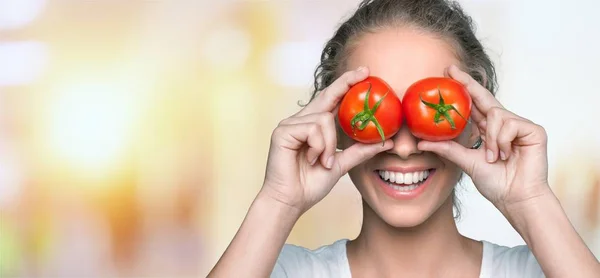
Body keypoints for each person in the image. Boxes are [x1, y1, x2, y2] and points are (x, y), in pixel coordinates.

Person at [209, 0, 600, 277]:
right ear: (334, 125)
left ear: (474, 124)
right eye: (373, 111)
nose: (403, 145)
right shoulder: (280, 272)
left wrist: (530, 200)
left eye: (433, 111)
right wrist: (276, 201)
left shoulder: (548, 271)